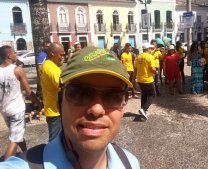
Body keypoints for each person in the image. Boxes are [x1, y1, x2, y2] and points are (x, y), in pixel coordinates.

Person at [0, 47, 140, 168]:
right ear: (60, 102)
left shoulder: (130, 163)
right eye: (80, 93)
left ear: (123, 105)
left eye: (113, 96)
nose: (97, 109)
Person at [0, 46, 42, 160]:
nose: (16, 54)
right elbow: (28, 91)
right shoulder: (17, 70)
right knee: (15, 140)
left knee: (17, 134)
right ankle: (5, 165)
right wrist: (39, 103)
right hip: (17, 109)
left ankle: (25, 153)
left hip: (4, 110)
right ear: (9, 55)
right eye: (14, 52)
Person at [40, 42, 64, 142]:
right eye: (61, 54)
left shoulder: (48, 65)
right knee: (55, 141)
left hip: (54, 109)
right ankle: (52, 158)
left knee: (60, 139)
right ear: (53, 53)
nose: (63, 57)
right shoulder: (51, 67)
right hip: (55, 112)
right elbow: (63, 85)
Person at [134, 43, 157, 120]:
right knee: (152, 95)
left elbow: (136, 69)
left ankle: (144, 110)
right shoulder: (150, 57)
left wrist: (134, 78)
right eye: (150, 48)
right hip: (148, 79)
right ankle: (144, 109)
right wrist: (156, 72)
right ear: (147, 49)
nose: (151, 50)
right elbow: (152, 69)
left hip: (140, 79)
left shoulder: (138, 57)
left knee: (144, 94)